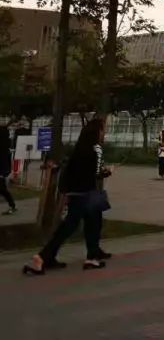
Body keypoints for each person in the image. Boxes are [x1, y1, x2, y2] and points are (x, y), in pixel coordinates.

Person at [23, 118, 113, 275]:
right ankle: (47, 256)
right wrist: (109, 171)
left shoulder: (78, 149)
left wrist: (66, 192)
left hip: (75, 192)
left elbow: (71, 171)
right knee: (84, 224)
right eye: (103, 129)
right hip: (87, 193)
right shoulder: (96, 149)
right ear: (97, 132)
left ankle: (52, 256)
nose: (104, 133)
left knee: (79, 223)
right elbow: (98, 173)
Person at [1, 125, 16, 214]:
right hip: (3, 170)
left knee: (2, 189)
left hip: (2, 171)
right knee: (3, 189)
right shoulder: (6, 145)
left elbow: (5, 160)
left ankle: (12, 205)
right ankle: (12, 205)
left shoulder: (4, 146)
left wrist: (4, 172)